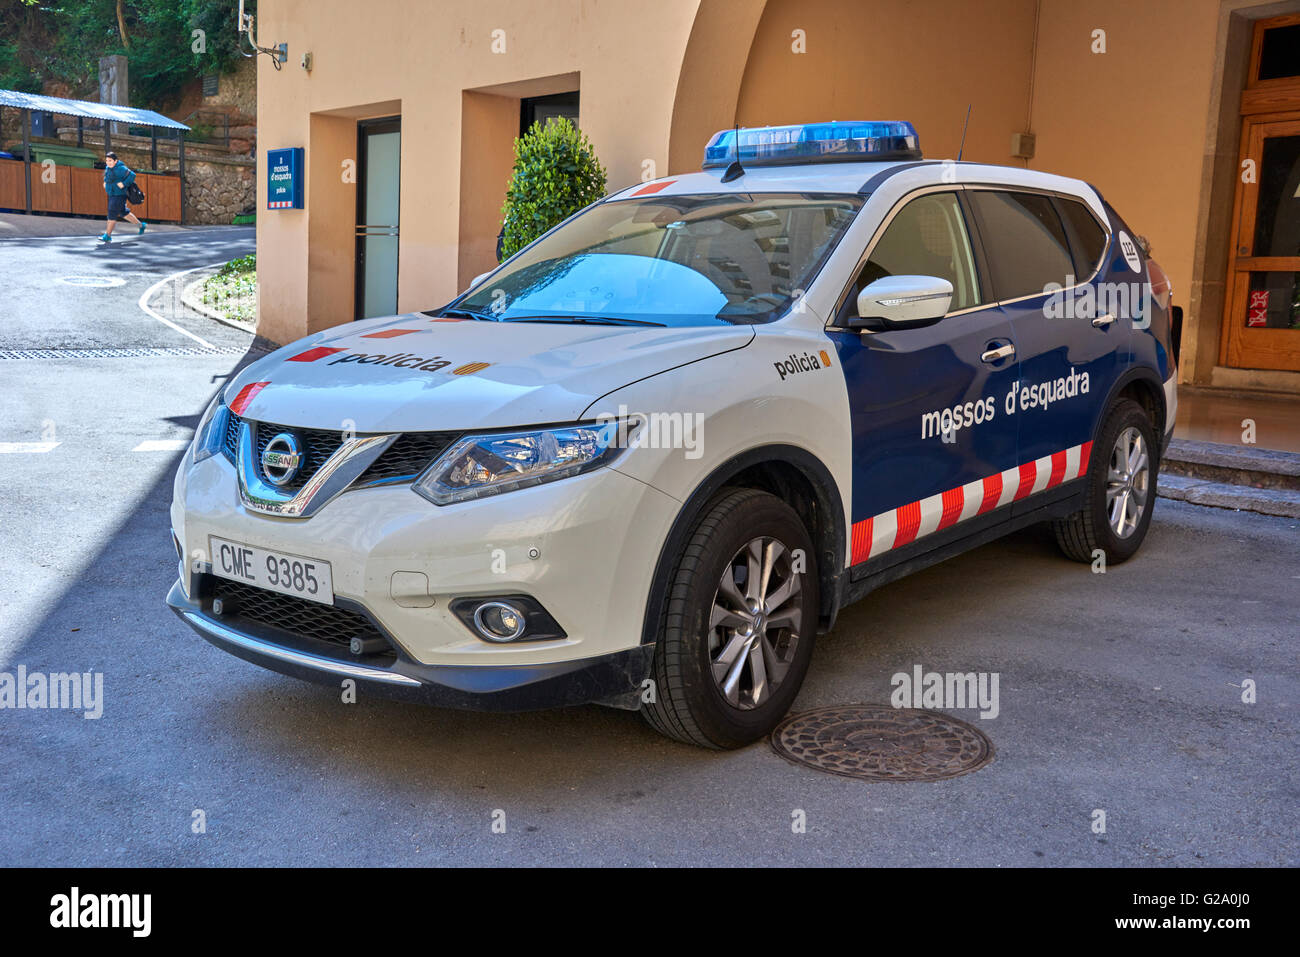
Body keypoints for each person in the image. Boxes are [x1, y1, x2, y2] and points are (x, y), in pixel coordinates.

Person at [100, 152, 146, 243]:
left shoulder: (121, 168)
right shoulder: (108, 168)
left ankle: (107, 235)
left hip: (120, 194)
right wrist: (105, 182)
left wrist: (124, 184)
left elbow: (132, 175)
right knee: (123, 212)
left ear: (115, 161)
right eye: (107, 161)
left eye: (110, 161)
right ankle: (141, 225)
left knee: (112, 212)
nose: (108, 162)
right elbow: (107, 177)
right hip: (112, 194)